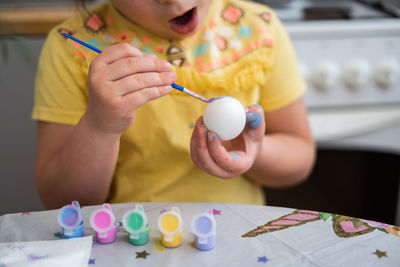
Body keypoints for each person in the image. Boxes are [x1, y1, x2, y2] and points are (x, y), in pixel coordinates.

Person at [33, 0, 315, 209]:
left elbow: (300, 158)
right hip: (130, 240)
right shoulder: (74, 47)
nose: (174, 1)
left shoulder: (258, 29)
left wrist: (253, 151)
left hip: (234, 241)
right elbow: (61, 201)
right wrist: (100, 125)